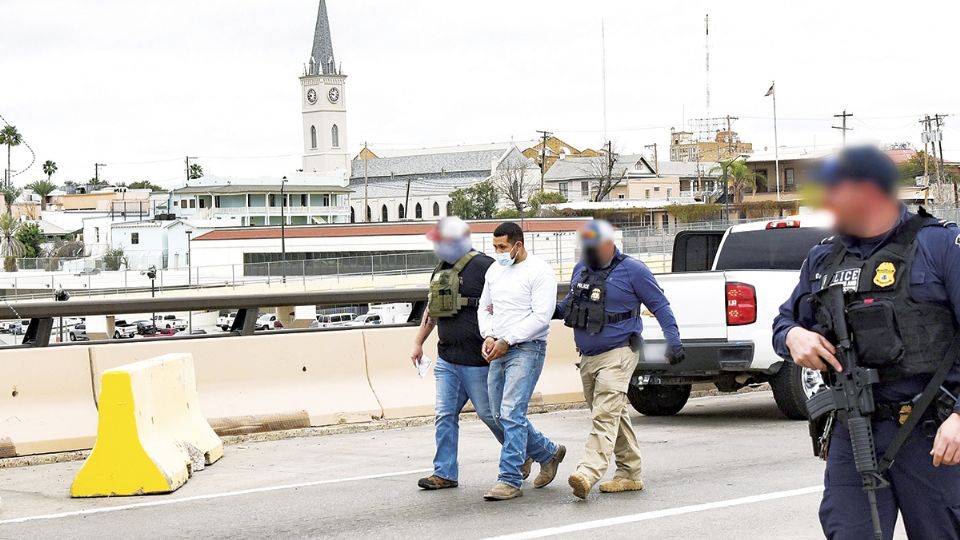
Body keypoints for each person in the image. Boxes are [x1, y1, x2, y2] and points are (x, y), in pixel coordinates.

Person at [772, 146, 960, 539]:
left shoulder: (941, 246)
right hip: (853, 428)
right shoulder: (823, 259)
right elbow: (785, 320)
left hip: (933, 430)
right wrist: (793, 336)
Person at [556, 220, 684, 499]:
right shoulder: (581, 269)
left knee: (604, 415)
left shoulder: (633, 270)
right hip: (588, 357)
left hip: (620, 352)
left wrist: (673, 341)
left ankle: (587, 472)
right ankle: (629, 473)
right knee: (612, 414)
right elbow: (566, 307)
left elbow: (660, 305)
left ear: (608, 243)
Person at [411, 217, 502, 490]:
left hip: (478, 360)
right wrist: (418, 342)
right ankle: (445, 472)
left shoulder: (486, 267)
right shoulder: (440, 270)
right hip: (448, 358)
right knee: (444, 415)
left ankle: (537, 451)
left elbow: (507, 304)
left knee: (491, 415)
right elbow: (432, 310)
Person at [477, 221, 566, 501]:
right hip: (499, 347)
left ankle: (509, 478)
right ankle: (548, 453)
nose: (498, 252)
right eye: (494, 247)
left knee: (511, 411)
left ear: (518, 245)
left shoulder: (539, 271)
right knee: (495, 414)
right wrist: (489, 335)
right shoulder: (494, 270)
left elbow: (541, 316)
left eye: (502, 247)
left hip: (527, 348)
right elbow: (485, 307)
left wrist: (508, 339)